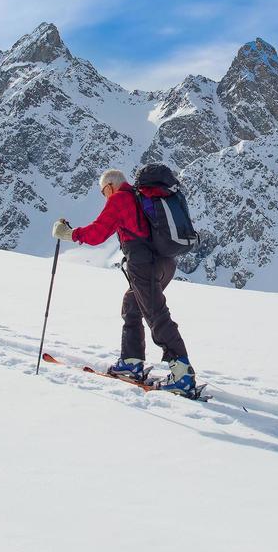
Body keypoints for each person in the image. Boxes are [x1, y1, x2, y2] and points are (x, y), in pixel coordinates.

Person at [53, 169, 198, 396]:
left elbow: (98, 232)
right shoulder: (140, 197)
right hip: (165, 264)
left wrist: (69, 234)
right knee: (132, 305)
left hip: (144, 265)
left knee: (156, 316)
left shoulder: (121, 198)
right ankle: (131, 362)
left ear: (110, 186)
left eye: (103, 192)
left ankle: (182, 375)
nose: (104, 196)